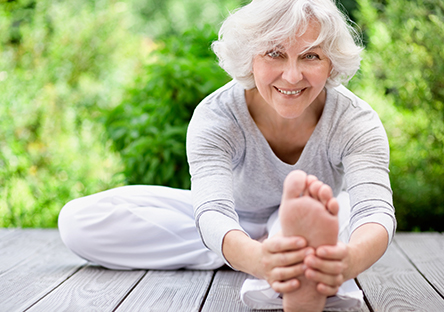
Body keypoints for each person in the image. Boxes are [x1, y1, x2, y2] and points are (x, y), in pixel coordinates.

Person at [58, 0, 396, 311]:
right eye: (274, 54)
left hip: (322, 213)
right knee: (78, 221)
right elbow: (213, 208)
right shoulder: (217, 116)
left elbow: (375, 209)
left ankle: (290, 256)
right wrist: (253, 254)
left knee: (346, 209)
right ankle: (273, 256)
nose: (292, 76)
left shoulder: (355, 121)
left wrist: (349, 260)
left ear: (331, 62)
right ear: (249, 56)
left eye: (311, 56)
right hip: (234, 217)